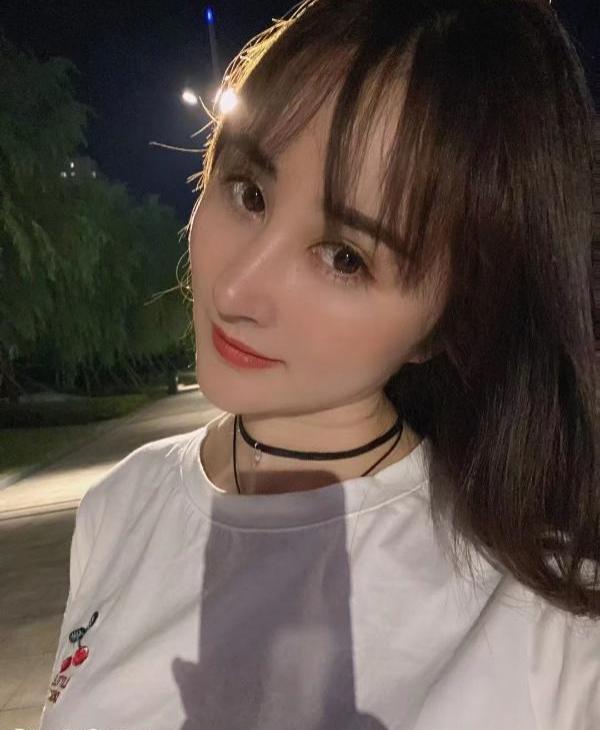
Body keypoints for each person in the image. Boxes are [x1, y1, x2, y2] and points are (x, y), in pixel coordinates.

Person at [39, 1, 600, 728]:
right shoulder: (120, 507)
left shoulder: (552, 629)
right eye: (249, 193)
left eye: (344, 258)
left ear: (450, 321)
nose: (235, 291)